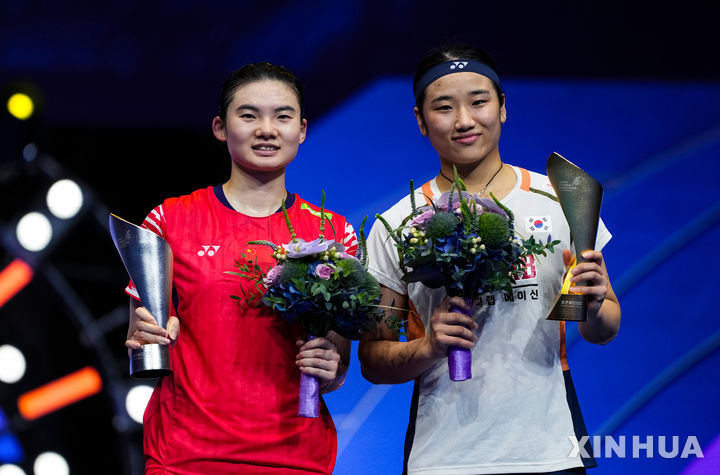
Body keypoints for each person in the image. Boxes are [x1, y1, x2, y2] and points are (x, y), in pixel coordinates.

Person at [359, 45, 621, 474]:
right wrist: (428, 347)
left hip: (550, 452)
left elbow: (603, 329)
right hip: (443, 460)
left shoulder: (560, 199)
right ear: (421, 120)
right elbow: (373, 360)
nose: (464, 120)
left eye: (479, 102)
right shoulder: (398, 223)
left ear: (502, 108)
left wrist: (593, 305)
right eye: (444, 107)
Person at [123, 62, 357, 474]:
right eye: (248, 115)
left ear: (302, 130)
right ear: (220, 127)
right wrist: (148, 337)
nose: (266, 130)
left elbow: (337, 367)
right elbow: (139, 338)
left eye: (282, 117)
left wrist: (330, 367)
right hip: (185, 457)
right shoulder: (169, 221)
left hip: (296, 457)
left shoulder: (333, 233)